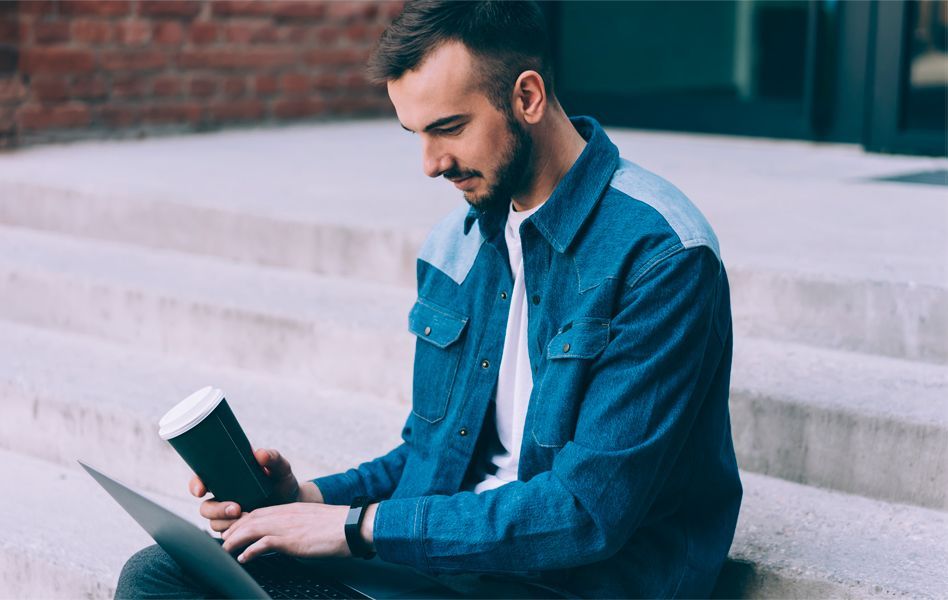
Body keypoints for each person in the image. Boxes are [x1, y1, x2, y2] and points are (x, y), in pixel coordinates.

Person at [116, 1, 742, 598]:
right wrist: (307, 500)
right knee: (167, 572)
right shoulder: (458, 243)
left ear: (527, 96)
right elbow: (432, 454)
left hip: (573, 585)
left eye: (449, 128)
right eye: (415, 132)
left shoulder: (660, 255)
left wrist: (353, 529)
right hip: (446, 572)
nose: (430, 163)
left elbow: (586, 513)